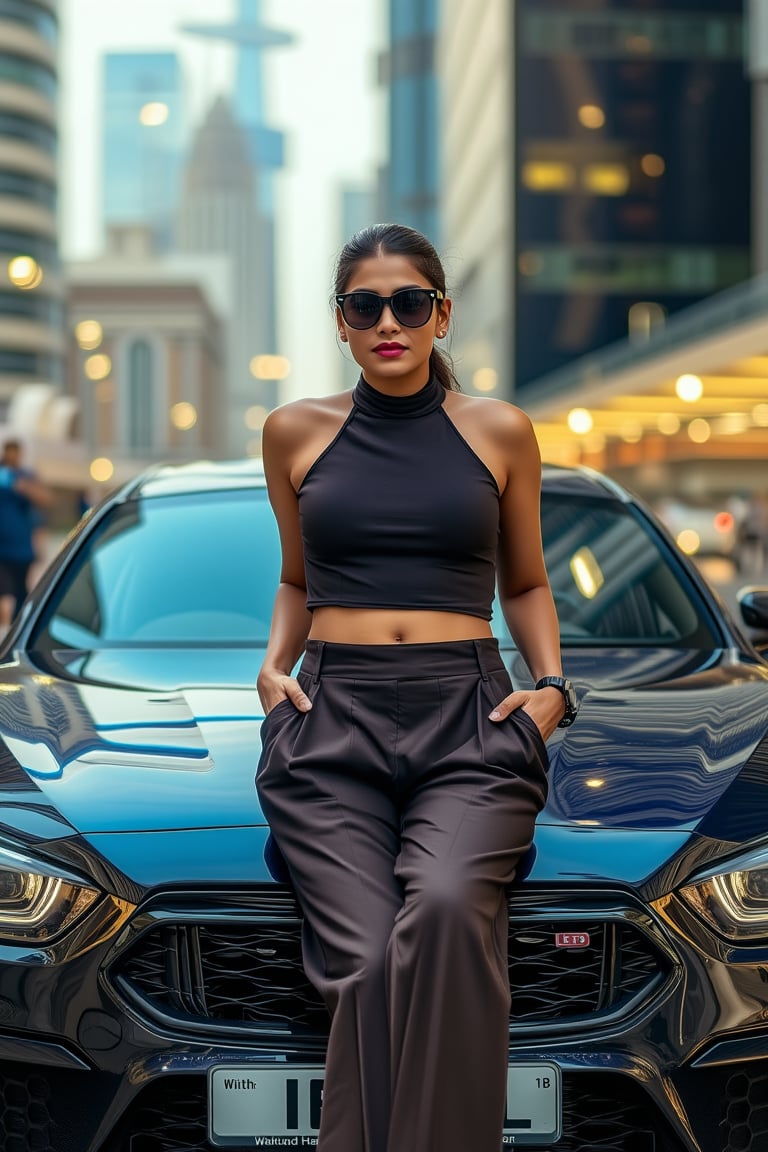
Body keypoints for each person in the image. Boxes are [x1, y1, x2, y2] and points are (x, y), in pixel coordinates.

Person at [255, 223, 578, 1152]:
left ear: (441, 312)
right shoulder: (294, 433)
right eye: (366, 306)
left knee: (440, 910)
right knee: (363, 960)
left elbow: (524, 582)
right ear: (343, 324)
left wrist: (552, 683)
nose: (388, 321)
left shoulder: (500, 429)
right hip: (329, 719)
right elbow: (296, 580)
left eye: (408, 303)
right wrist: (275, 665)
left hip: (469, 715)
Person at [0, 439, 52, 630]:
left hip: (21, 547)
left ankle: (15, 631)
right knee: (4, 591)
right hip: (2, 549)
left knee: (20, 592)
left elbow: (45, 500)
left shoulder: (25, 476)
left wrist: (21, 486)